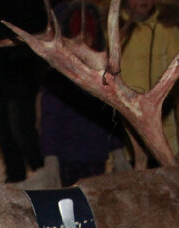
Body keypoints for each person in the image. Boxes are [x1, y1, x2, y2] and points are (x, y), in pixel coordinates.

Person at [37, 1, 123, 186]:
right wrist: (50, 157)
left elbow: (110, 115)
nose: (84, 43)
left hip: (96, 158)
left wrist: (117, 150)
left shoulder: (102, 74)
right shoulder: (57, 79)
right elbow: (50, 119)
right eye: (76, 38)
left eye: (89, 37)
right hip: (67, 159)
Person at [0, 0, 47, 183]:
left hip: (19, 74)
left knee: (21, 131)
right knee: (2, 131)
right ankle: (15, 180)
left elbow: (37, 29)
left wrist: (19, 57)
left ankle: (43, 174)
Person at [119, 0, 179, 161]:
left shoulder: (168, 29)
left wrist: (168, 101)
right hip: (125, 130)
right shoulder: (112, 30)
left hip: (162, 129)